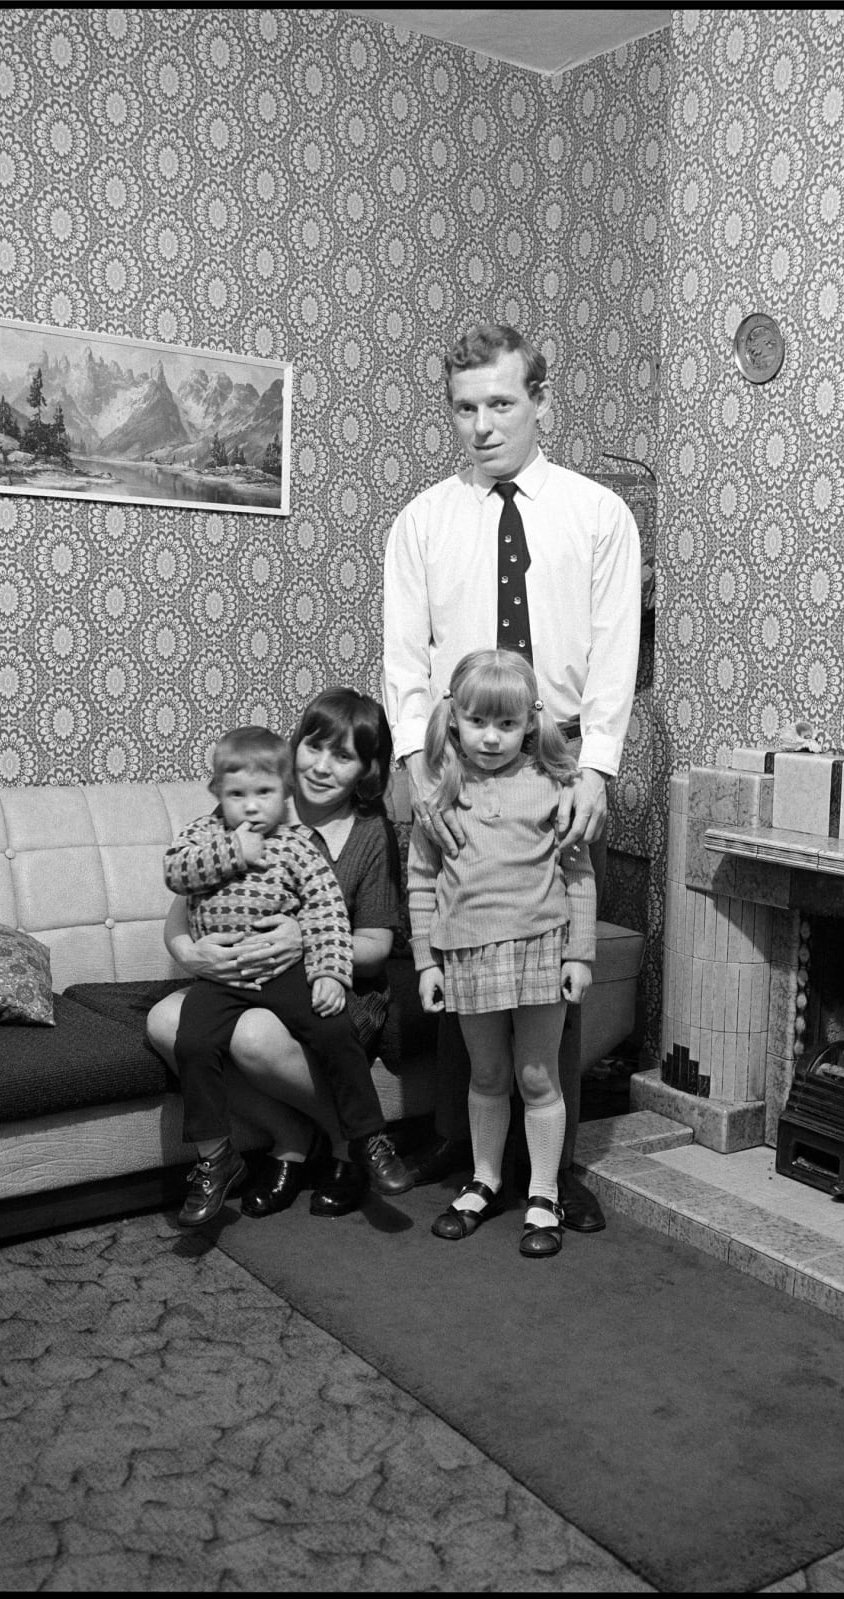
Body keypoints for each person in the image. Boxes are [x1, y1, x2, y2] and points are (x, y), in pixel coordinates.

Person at [382, 321, 640, 1233]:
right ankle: (470, 1151)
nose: (482, 425)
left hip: (557, 751)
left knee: (547, 958)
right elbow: (405, 660)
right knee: (461, 941)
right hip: (456, 756)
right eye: (464, 407)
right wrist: (420, 770)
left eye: (501, 402)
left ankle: (552, 1171)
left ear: (539, 402)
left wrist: (598, 770)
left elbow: (616, 651)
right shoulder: (422, 520)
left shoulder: (599, 514)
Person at [147, 688, 406, 1221]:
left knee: (254, 1035)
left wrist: (304, 941)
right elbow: (182, 907)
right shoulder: (244, 804)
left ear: (367, 770)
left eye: (344, 756)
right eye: (315, 747)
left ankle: (346, 1142)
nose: (323, 766)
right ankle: (285, 1136)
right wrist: (195, 958)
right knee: (167, 1024)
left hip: (333, 980)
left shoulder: (365, 835)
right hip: (236, 975)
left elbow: (374, 945)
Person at [409, 648, 595, 1257]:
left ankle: (543, 1191)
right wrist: (426, 961)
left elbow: (578, 874)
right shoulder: (438, 789)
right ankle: (485, 1180)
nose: (491, 738)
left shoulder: (554, 784)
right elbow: (420, 879)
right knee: (487, 1075)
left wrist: (580, 955)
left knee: (536, 1076)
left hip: (542, 946)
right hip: (465, 951)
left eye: (507, 725)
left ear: (532, 722)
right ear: (453, 718)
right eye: (477, 722)